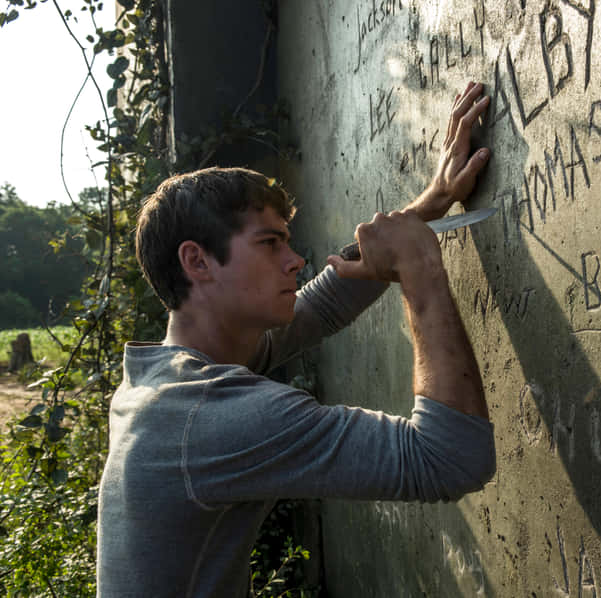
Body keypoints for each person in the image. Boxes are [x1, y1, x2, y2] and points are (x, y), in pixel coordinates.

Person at [96, 82, 495, 597]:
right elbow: (449, 460)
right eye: (269, 244)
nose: (295, 261)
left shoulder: (163, 382)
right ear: (197, 262)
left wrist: (430, 205)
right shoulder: (211, 418)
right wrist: (418, 267)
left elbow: (321, 306)